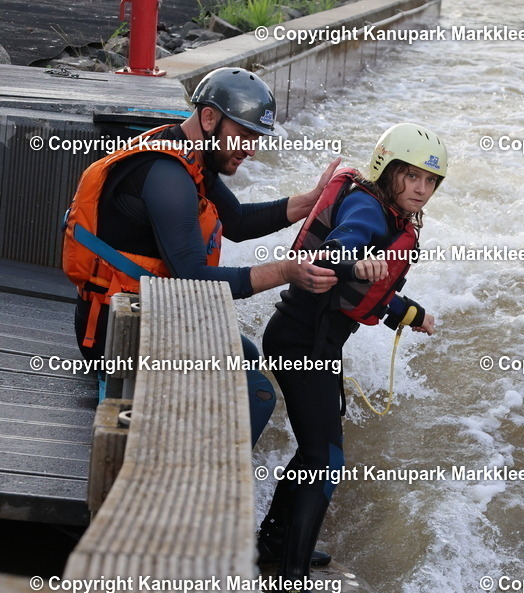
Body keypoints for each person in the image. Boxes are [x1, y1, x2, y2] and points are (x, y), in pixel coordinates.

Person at [63, 67, 340, 452]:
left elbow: (237, 222)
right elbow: (194, 276)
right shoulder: (168, 175)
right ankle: (207, 492)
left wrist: (309, 202)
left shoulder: (191, 154)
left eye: (256, 137)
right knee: (255, 391)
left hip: (137, 314)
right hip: (116, 336)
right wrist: (286, 271)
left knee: (245, 355)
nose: (251, 148)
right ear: (209, 118)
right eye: (243, 135)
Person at [259, 123, 446, 593]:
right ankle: (288, 590)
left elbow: (374, 293)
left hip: (306, 339)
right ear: (387, 171)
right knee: (326, 459)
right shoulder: (366, 208)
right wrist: (355, 260)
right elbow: (338, 251)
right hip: (304, 343)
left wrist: (412, 314)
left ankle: (274, 545)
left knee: (314, 450)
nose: (420, 189)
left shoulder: (387, 212)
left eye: (429, 181)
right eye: (410, 176)